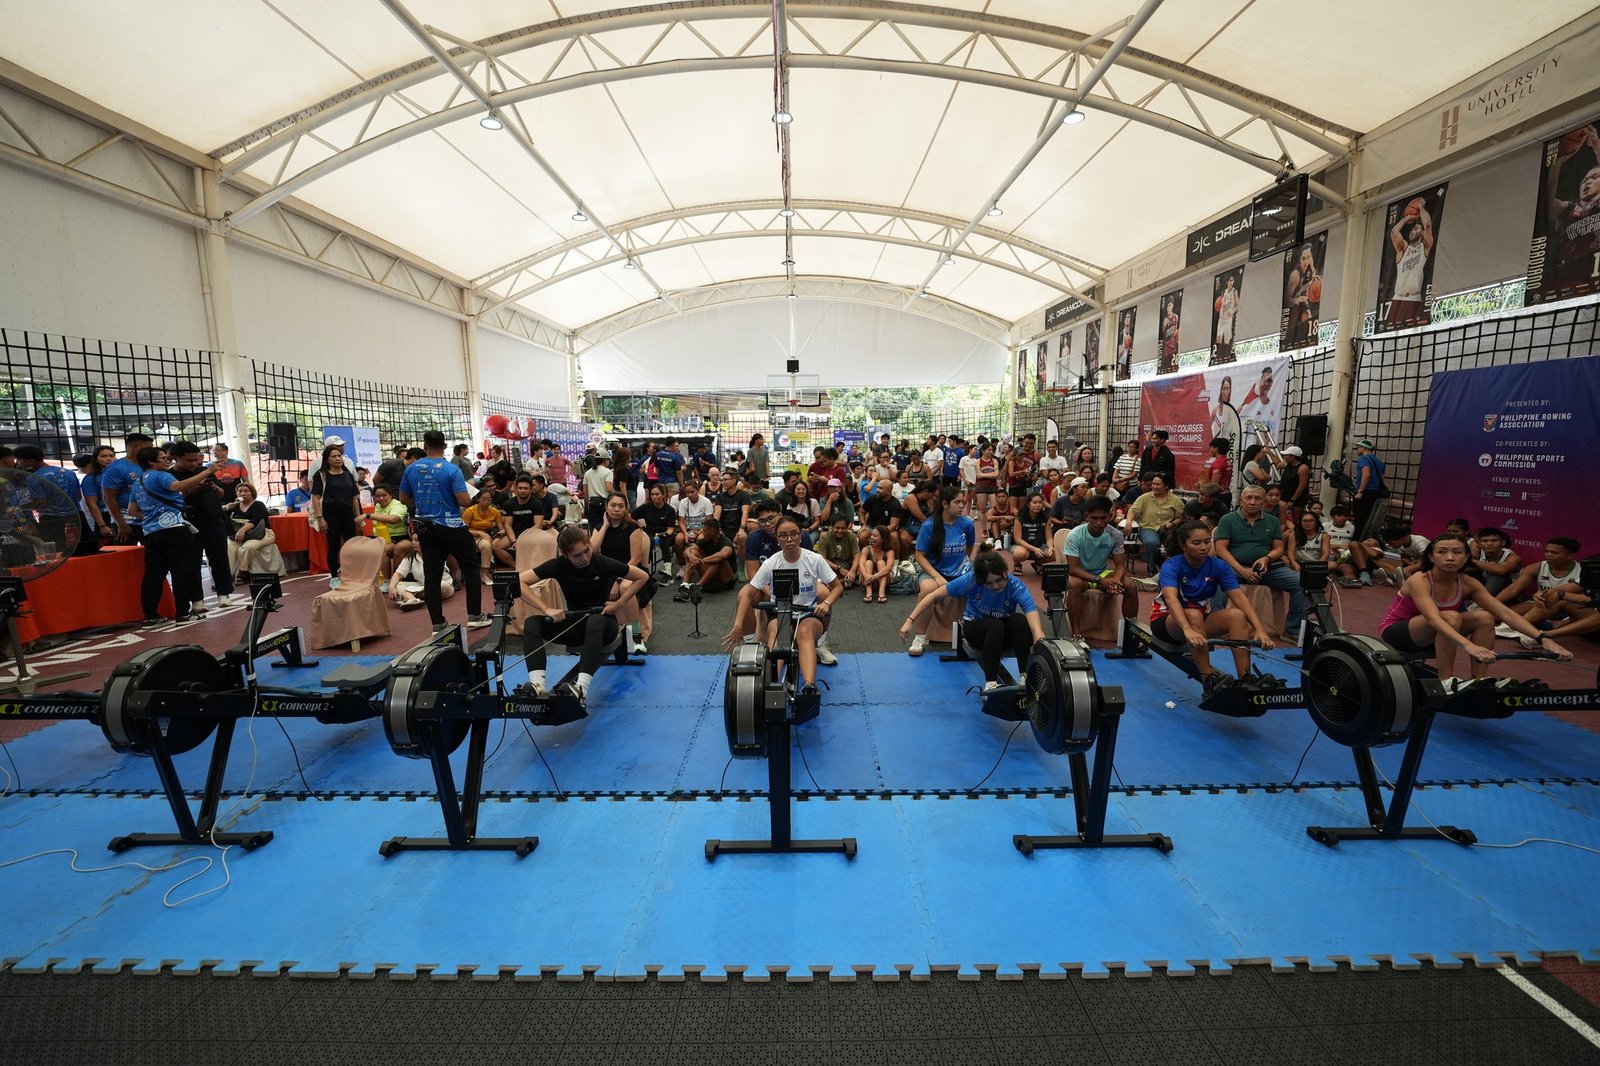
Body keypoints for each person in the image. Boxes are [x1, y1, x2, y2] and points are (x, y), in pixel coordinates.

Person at [1381, 533, 1571, 685]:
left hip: (1440, 635)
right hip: (1399, 634)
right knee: (1450, 616)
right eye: (1442, 552)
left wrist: (1544, 639)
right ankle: (1445, 681)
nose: (1449, 557)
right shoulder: (1419, 580)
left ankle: (1478, 681)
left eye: (1457, 552)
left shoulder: (1468, 583)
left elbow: (1505, 613)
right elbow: (1433, 619)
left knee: (1484, 617)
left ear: (1466, 558)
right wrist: (1469, 645)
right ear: (1431, 556)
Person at [517, 525, 649, 703]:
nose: (585, 558)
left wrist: (618, 603)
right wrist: (545, 609)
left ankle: (581, 689)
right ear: (564, 554)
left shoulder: (600, 562)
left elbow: (642, 576)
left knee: (595, 621)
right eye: (577, 556)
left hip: (605, 625)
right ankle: (537, 685)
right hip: (576, 626)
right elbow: (519, 582)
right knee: (532, 622)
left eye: (586, 551)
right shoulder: (558, 565)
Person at [720, 515, 842, 704]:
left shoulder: (815, 559)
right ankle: (770, 684)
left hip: (808, 614)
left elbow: (837, 587)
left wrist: (825, 603)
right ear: (777, 539)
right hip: (781, 613)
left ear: (800, 536)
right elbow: (747, 593)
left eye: (793, 534)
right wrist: (737, 625)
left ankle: (809, 685)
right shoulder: (771, 563)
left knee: (804, 631)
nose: (789, 539)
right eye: (783, 536)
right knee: (778, 632)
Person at [1154, 521, 1277, 692]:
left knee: (1236, 615)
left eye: (1207, 541)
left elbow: (1240, 599)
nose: (1203, 547)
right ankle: (1208, 681)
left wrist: (1259, 629)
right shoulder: (1172, 565)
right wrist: (1187, 629)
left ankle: (1245, 678)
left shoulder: (1218, 565)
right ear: (1183, 545)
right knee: (1194, 615)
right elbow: (1171, 599)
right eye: (1196, 543)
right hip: (1168, 622)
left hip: (1200, 620)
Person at [901, 550, 1044, 691]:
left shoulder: (1015, 585)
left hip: (1000, 633)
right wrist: (910, 620)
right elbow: (932, 597)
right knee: (995, 625)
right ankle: (991, 684)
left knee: (1020, 620)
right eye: (989, 583)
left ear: (1006, 572)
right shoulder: (971, 580)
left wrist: (1040, 640)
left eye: (999, 580)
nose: (995, 586)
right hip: (975, 630)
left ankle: (1026, 676)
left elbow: (1032, 616)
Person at [397, 430, 490, 631]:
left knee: (432, 574)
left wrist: (424, 501)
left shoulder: (411, 469)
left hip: (425, 527)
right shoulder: (451, 470)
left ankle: (437, 623)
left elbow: (404, 498)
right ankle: (474, 614)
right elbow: (464, 501)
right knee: (470, 567)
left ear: (424, 445)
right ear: (445, 446)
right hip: (451, 526)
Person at [127, 444, 219, 628]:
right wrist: (208, 471)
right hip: (175, 530)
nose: (168, 461)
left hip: (151, 532)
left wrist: (155, 518)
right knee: (181, 572)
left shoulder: (138, 482)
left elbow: (132, 510)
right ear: (151, 462)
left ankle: (150, 616)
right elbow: (179, 486)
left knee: (153, 575)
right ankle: (183, 613)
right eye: (163, 458)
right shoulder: (162, 475)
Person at [1211, 485, 1311, 638]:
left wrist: (1266, 558)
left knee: (1302, 582)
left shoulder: (1273, 522)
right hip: (1234, 567)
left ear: (1264, 502)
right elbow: (1221, 549)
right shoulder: (1227, 519)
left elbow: (1278, 548)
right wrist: (1242, 570)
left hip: (1266, 568)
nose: (1252, 502)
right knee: (1219, 578)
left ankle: (1294, 630)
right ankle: (1217, 627)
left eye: (1257, 498)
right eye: (1248, 498)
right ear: (1241, 500)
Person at [906, 486, 979, 656]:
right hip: (933, 571)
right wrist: (937, 576)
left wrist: (962, 568)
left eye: (963, 502)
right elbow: (920, 555)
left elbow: (968, 549)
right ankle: (920, 637)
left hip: (960, 571)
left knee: (982, 586)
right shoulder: (929, 526)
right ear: (945, 504)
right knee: (928, 589)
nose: (962, 505)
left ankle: (973, 635)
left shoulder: (967, 524)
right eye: (957, 502)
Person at [1062, 495, 1139, 633]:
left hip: (1102, 573)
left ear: (1110, 516)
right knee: (1073, 585)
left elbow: (1120, 566)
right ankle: (1077, 633)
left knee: (1130, 586)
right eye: (1094, 518)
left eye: (1103, 518)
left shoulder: (1115, 534)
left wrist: (1116, 581)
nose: (1098, 522)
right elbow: (1072, 569)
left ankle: (1131, 632)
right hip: (1081, 574)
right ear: (1087, 516)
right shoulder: (1075, 534)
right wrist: (1100, 581)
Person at [591, 491, 654, 654]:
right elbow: (592, 550)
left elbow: (635, 558)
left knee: (625, 587)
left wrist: (618, 581)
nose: (616, 510)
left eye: (621, 506)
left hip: (631, 570)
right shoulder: (599, 527)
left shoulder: (633, 527)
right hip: (608, 571)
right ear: (606, 507)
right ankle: (606, 634)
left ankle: (636, 635)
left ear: (626, 508)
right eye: (613, 505)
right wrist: (605, 526)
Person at [1495, 537, 1582, 626]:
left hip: (1568, 608)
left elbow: (1579, 593)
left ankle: (1518, 626)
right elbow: (1514, 589)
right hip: (1539, 605)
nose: (1548, 555)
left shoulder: (1582, 571)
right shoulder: (1535, 568)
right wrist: (1492, 604)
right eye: (1546, 551)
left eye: (1554, 553)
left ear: (1570, 556)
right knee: (1498, 615)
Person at [309, 444, 361, 588]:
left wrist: (358, 517)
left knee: (352, 545)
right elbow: (315, 497)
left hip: (348, 514)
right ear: (327, 460)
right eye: (334, 456)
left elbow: (354, 498)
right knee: (333, 546)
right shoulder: (321, 475)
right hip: (330, 515)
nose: (338, 458)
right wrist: (320, 518)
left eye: (339, 456)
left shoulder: (348, 475)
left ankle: (353, 574)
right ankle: (334, 577)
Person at [1124, 473, 1184, 578]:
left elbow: (1181, 516)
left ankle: (1171, 568)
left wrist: (1173, 523)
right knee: (1152, 543)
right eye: (1153, 484)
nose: (1154, 487)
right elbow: (1132, 511)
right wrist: (1129, 522)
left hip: (1168, 529)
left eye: (1158, 484)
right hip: (1148, 528)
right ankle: (1151, 568)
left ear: (1166, 486)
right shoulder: (1144, 498)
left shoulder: (1175, 500)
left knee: (1174, 544)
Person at [1386, 201, 1436, 327]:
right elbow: (1394, 232)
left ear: (1422, 233)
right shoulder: (1403, 249)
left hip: (1413, 297)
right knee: (1392, 336)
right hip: (1398, 297)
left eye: (1416, 229)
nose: (1412, 231)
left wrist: (1419, 207)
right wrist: (1408, 217)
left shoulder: (1424, 247)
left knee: (1411, 337)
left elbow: (1428, 224)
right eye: (1412, 229)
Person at [100, 432, 154, 544]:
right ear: (136, 447)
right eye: (149, 448)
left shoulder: (150, 465)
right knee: (126, 558)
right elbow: (108, 498)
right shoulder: (116, 468)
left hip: (149, 518)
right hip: (127, 522)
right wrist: (121, 524)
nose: (151, 451)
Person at [225, 482, 278, 580]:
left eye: (246, 491)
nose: (243, 494)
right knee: (229, 548)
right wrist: (227, 507)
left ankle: (242, 572)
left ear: (252, 493)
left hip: (260, 533)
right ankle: (226, 576)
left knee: (247, 547)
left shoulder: (258, 505)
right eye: (240, 491)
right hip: (238, 534)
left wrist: (242, 531)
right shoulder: (234, 506)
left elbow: (256, 520)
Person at [671, 479, 716, 594]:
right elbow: (681, 521)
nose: (690, 495)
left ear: (697, 491)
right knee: (678, 539)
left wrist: (700, 532)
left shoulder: (706, 502)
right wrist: (686, 533)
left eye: (692, 492)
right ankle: (682, 565)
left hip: (702, 530)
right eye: (687, 493)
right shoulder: (683, 502)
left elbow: (708, 522)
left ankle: (701, 565)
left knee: (702, 539)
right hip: (688, 529)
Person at [367, 483, 411, 590]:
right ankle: (382, 580)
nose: (381, 498)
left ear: (390, 495)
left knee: (384, 550)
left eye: (384, 495)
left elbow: (393, 519)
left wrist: (368, 516)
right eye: (378, 496)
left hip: (401, 537)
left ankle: (396, 580)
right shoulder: (378, 506)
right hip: (382, 538)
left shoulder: (398, 505)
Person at [462, 487, 510, 584]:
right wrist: (479, 532)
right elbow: (463, 530)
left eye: (489, 499)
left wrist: (501, 533)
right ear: (478, 499)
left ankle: (484, 574)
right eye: (483, 499)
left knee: (486, 545)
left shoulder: (495, 512)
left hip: (483, 537)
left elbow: (501, 528)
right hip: (469, 535)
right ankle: (468, 575)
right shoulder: (470, 511)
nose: (486, 501)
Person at [681, 518, 737, 594]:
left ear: (712, 532)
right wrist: (692, 557)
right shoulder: (705, 540)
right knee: (693, 552)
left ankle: (698, 586)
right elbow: (686, 551)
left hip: (725, 577)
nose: (701, 532)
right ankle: (684, 586)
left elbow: (723, 555)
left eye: (704, 530)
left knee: (717, 559)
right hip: (710, 573)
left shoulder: (726, 542)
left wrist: (701, 560)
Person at [633, 483, 678, 577]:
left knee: (664, 541)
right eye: (652, 494)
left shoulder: (670, 510)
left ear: (663, 495)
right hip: (649, 532)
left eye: (657, 494)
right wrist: (640, 527)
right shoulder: (646, 507)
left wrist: (664, 534)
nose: (654, 497)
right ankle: (645, 570)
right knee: (647, 541)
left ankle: (668, 573)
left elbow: (670, 529)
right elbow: (630, 517)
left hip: (665, 533)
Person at [1467, 527, 1521, 599]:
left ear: (1503, 543)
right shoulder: (1478, 553)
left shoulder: (1512, 557)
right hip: (1485, 590)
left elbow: (1502, 570)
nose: (1489, 544)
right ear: (1479, 544)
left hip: (1507, 596)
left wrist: (1473, 561)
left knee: (1498, 573)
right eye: (1485, 541)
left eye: (1494, 540)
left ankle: (1478, 604)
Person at [1284, 245, 1322, 348]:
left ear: (1313, 258)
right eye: (1303, 258)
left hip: (1305, 301)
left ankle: (1309, 341)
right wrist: (1296, 300)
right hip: (1294, 305)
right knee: (1301, 318)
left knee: (1309, 316)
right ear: (1300, 261)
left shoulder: (1314, 272)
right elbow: (1286, 300)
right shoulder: (1295, 275)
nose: (1306, 261)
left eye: (1308, 257)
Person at [1351, 439, 1387, 540]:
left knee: (1360, 519)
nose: (1357, 449)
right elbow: (1382, 479)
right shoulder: (1379, 462)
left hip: (1366, 492)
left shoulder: (1364, 458)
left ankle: (1357, 542)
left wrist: (1360, 491)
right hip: (1377, 492)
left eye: (1358, 447)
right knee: (1370, 519)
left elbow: (1366, 474)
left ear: (1364, 448)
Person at [1012, 492, 1053, 573]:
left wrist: (1051, 547)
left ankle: (1038, 563)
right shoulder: (1019, 517)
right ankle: (1017, 564)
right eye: (1034, 502)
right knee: (1019, 554)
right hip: (1023, 546)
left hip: (1039, 546)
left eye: (1040, 502)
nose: (1038, 505)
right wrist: (1033, 549)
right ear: (1028, 504)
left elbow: (1049, 537)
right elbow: (1018, 539)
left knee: (1054, 554)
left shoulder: (1046, 517)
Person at [856, 525, 895, 603]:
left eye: (875, 536)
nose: (872, 538)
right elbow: (861, 564)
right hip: (867, 580)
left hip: (882, 579)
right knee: (868, 563)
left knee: (881, 563)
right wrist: (867, 576)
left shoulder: (889, 552)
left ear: (883, 539)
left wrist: (875, 576)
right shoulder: (866, 549)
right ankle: (868, 592)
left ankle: (881, 593)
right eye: (871, 535)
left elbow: (889, 567)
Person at [580, 453, 613, 531]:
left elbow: (585, 491)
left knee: (594, 529)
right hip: (605, 504)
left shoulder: (588, 473)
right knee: (607, 528)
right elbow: (609, 488)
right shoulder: (608, 472)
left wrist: (587, 506)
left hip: (592, 504)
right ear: (605, 460)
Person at [1278, 445, 1310, 516]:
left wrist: (1292, 500)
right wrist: (1269, 452)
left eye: (1286, 455)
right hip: (1285, 494)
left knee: (1296, 518)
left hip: (1298, 497)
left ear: (1293, 457)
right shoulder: (1287, 464)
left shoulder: (1303, 468)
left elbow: (1302, 486)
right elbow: (1278, 464)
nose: (1284, 457)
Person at [1214, 272, 1240, 361]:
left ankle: (1225, 358)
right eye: (1228, 280)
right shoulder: (1223, 292)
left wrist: (1232, 311)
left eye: (1231, 280)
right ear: (1226, 282)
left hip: (1228, 319)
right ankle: (1218, 358)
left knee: (1226, 341)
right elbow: (1218, 305)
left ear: (1233, 281)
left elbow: (1237, 305)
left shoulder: (1234, 291)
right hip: (1221, 319)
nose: (1230, 282)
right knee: (1218, 340)